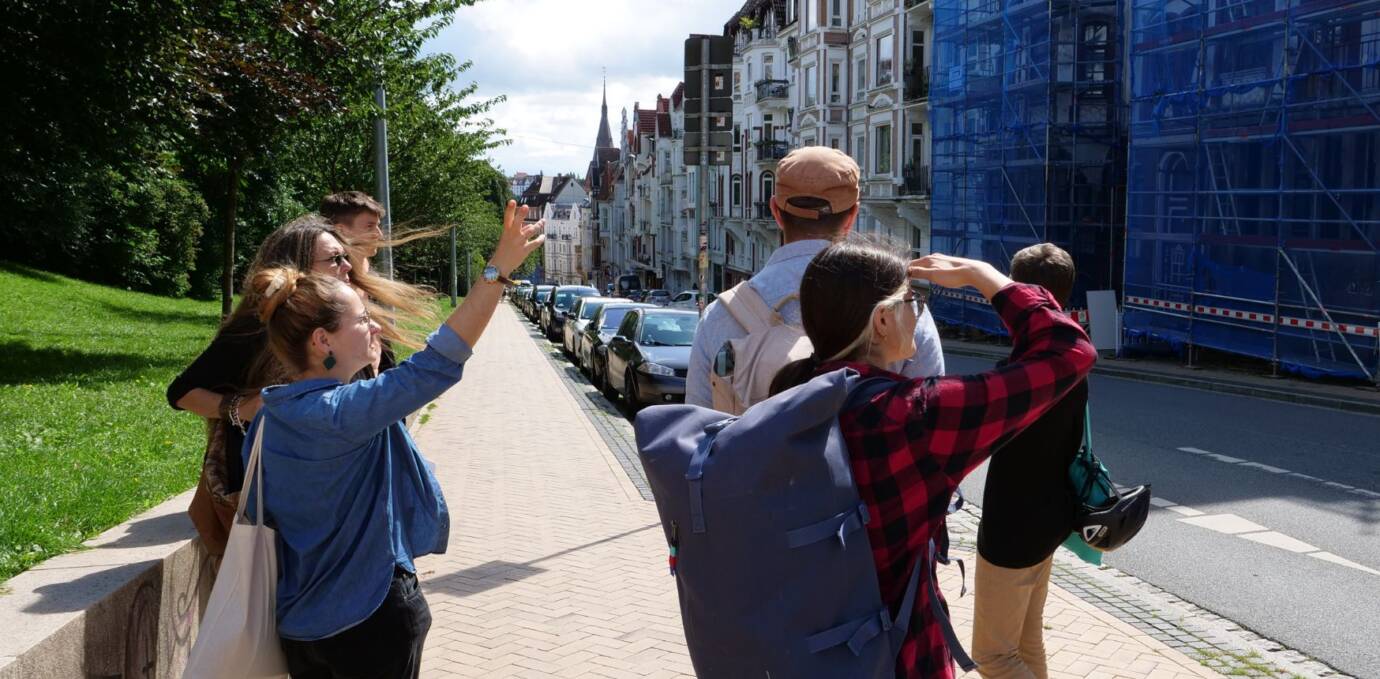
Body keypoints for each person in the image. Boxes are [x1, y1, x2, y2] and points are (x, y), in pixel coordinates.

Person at [241, 200, 543, 678]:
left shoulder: (269, 418)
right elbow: (440, 360)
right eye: (362, 320)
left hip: (301, 627)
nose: (376, 326)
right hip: (370, 619)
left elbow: (267, 510)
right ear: (323, 341)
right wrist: (497, 271)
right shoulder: (345, 413)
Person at [767, 242, 1096, 679]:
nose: (918, 313)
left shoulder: (787, 394)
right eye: (911, 301)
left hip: (806, 648)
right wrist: (988, 278)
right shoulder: (914, 417)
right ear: (882, 320)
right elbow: (1070, 351)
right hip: (896, 655)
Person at [686, 146, 944, 411]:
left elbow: (694, 433)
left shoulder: (720, 316)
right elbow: (931, 418)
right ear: (852, 215)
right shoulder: (900, 308)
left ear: (775, 211)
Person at [971, 243, 1085, 679]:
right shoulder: (1072, 359)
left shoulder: (1022, 372)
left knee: (994, 656)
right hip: (1050, 518)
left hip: (1012, 528)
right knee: (1025, 640)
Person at [319, 191, 385, 275]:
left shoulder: (368, 269)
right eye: (369, 226)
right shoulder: (332, 278)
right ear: (340, 230)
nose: (379, 234)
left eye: (377, 225)